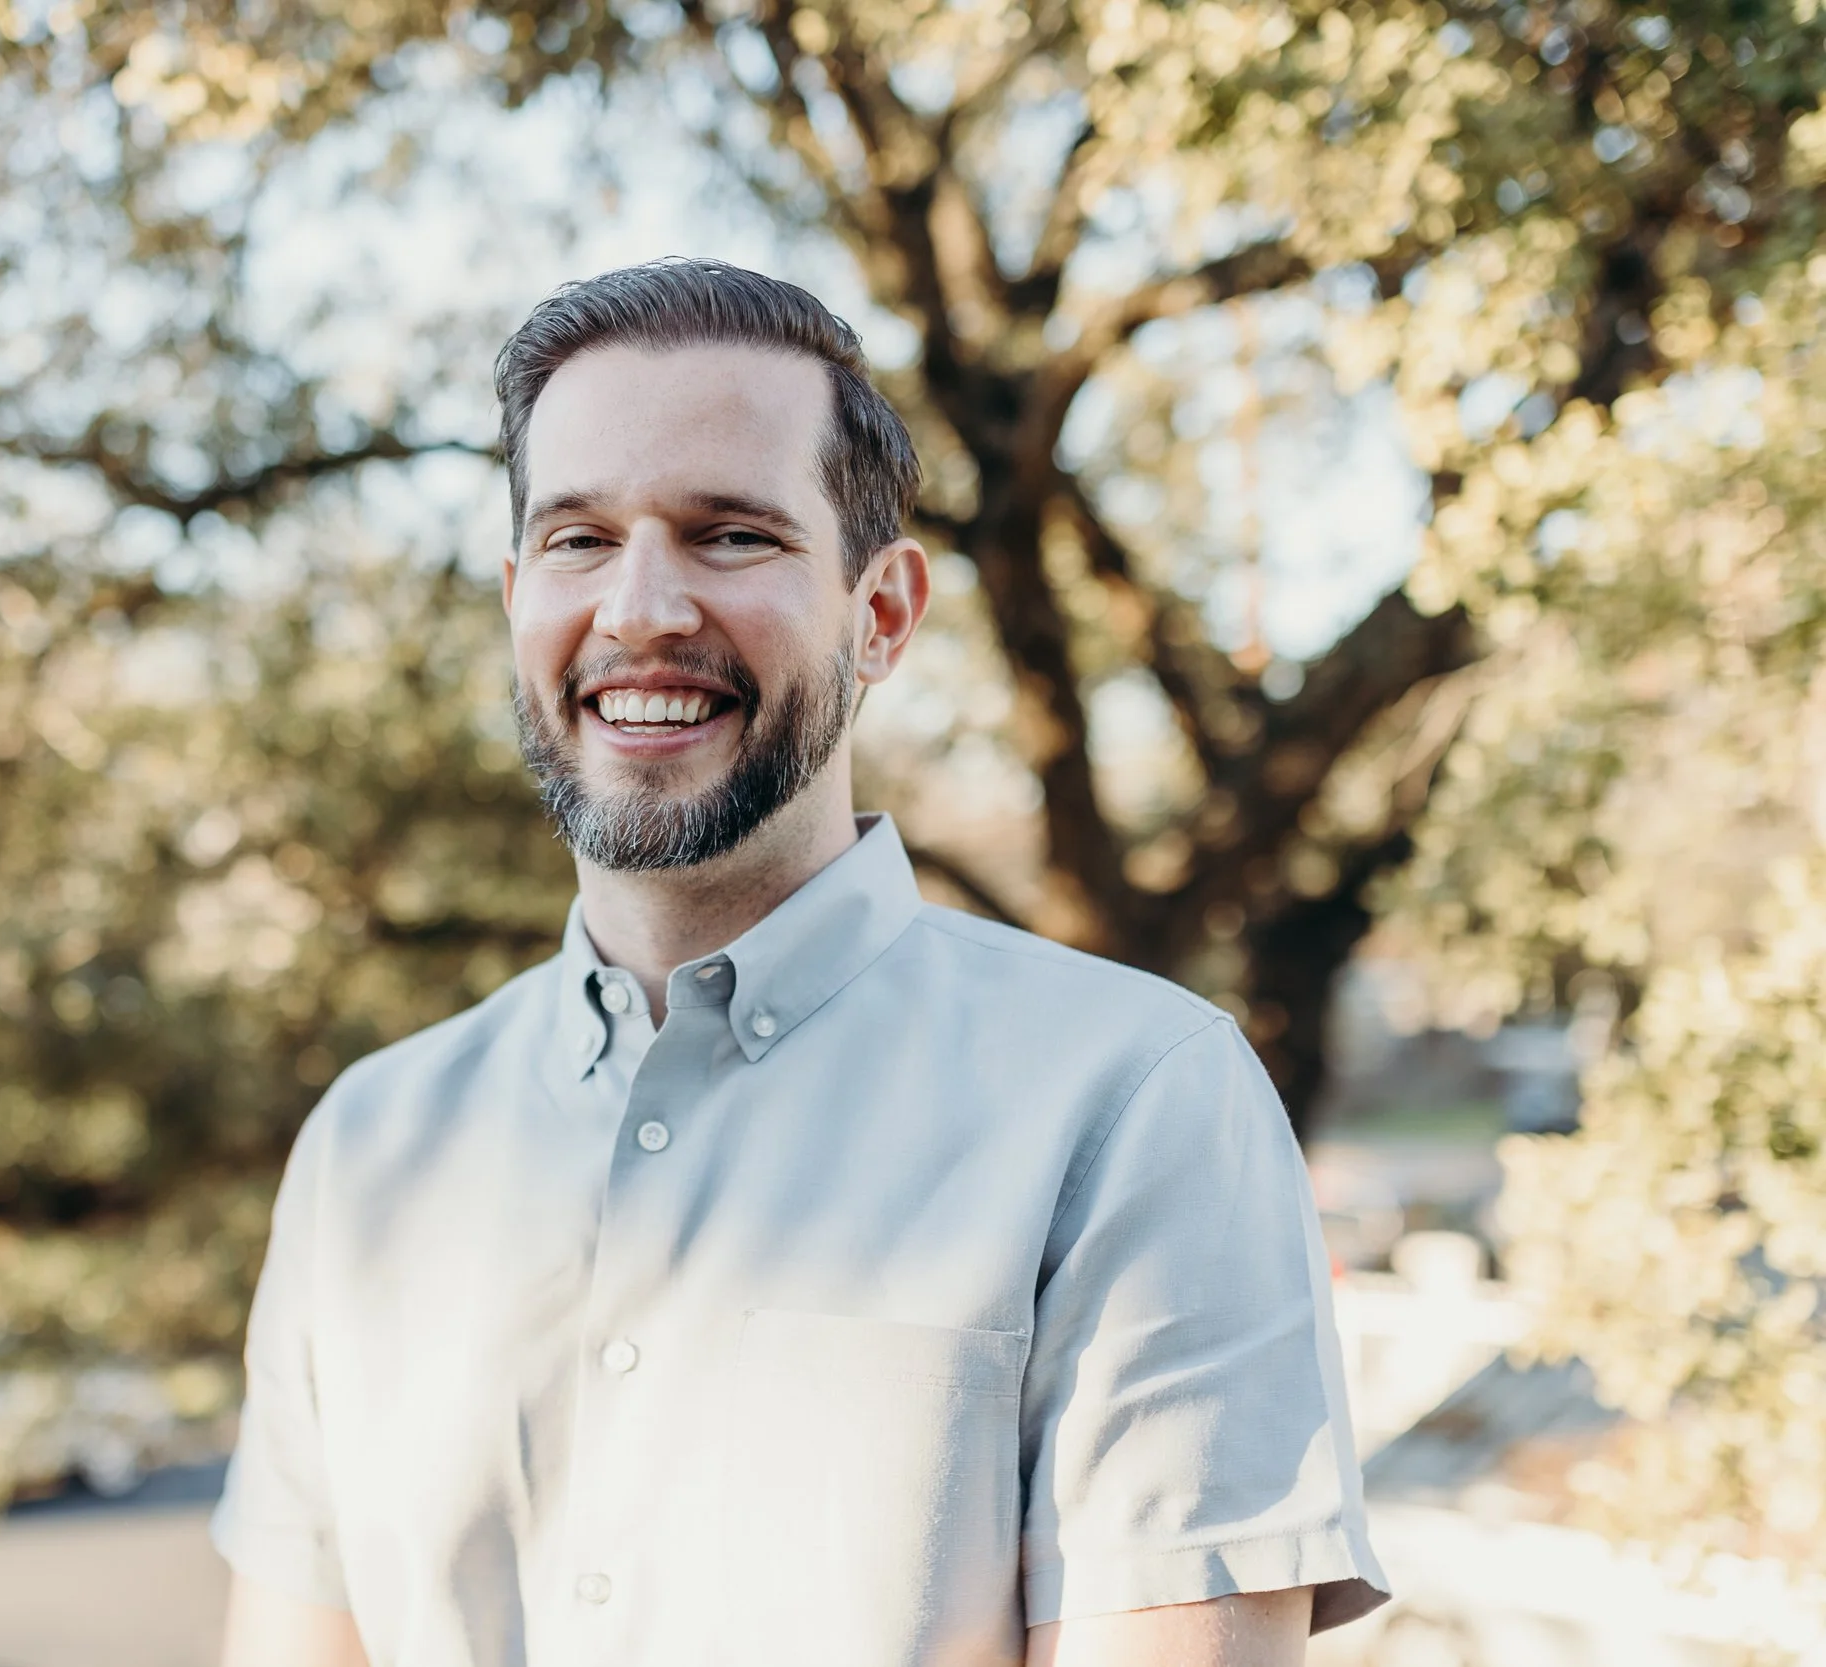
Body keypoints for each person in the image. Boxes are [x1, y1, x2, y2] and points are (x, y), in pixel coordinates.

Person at [210, 258, 1387, 1667]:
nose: (641, 609)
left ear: (881, 612)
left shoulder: (1139, 1105)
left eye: (730, 536)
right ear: (517, 595)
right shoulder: (366, 1149)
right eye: (579, 540)